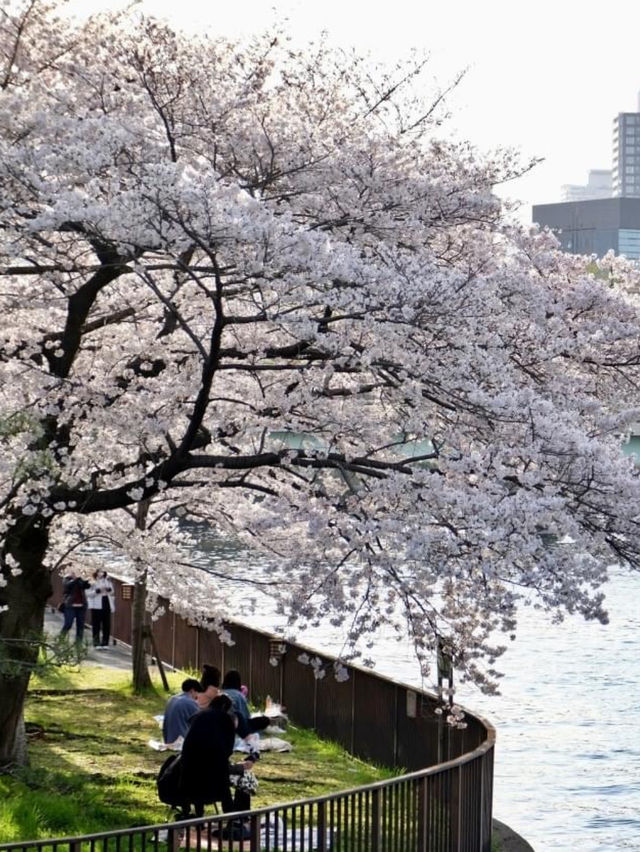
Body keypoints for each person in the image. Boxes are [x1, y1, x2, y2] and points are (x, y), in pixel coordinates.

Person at [177, 693, 257, 824]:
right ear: (225, 707)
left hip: (188, 771)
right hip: (213, 775)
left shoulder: (199, 715)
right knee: (225, 783)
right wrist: (237, 766)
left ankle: (198, 816)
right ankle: (233, 819)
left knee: (205, 780)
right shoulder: (225, 719)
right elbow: (226, 750)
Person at [221, 669, 270, 738]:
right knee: (265, 720)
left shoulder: (220, 693)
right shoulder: (239, 695)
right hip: (238, 728)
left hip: (221, 725)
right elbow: (245, 717)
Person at [162, 678, 203, 745]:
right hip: (180, 742)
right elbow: (201, 723)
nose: (197, 697)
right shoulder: (190, 702)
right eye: (197, 693)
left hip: (168, 740)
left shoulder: (172, 699)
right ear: (192, 691)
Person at [60, 569, 91, 643]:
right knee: (68, 624)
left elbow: (87, 586)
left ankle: (78, 643)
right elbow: (68, 586)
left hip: (81, 606)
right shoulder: (66, 579)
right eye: (73, 572)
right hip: (70, 605)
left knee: (80, 625)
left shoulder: (80, 580)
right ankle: (60, 639)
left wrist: (85, 580)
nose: (75, 573)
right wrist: (76, 579)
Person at [87, 570, 115, 648]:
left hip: (106, 602)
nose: (101, 574)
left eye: (102, 572)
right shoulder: (91, 581)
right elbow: (88, 594)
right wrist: (98, 591)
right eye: (99, 572)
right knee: (96, 624)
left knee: (107, 624)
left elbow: (112, 591)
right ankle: (96, 642)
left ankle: (105, 642)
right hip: (96, 604)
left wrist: (108, 589)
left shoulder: (107, 580)